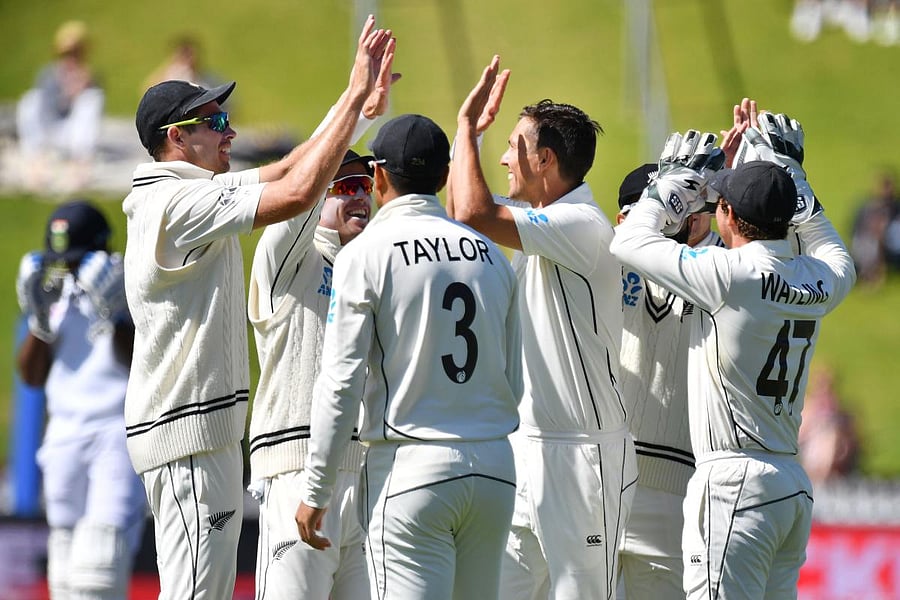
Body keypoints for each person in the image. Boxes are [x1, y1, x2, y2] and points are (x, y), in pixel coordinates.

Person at [121, 16, 394, 599]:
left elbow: (291, 169)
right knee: (197, 593)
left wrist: (356, 108)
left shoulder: (192, 193)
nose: (229, 131)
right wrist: (352, 102)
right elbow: (298, 194)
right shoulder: (173, 202)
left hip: (203, 430)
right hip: (185, 432)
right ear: (176, 137)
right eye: (214, 122)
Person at [609, 108, 856, 598]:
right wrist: (790, 177)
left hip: (733, 481)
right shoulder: (821, 277)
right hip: (790, 481)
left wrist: (678, 181)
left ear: (726, 217)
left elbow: (630, 240)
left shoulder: (727, 275)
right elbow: (834, 250)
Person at [295, 113, 523, 600]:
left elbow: (340, 381)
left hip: (411, 468)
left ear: (378, 175)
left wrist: (316, 491)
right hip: (495, 469)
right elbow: (515, 382)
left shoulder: (366, 253)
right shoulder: (491, 255)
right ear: (444, 177)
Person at [447, 55, 637, 599]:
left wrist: (464, 128)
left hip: (586, 455)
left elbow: (473, 214)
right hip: (526, 447)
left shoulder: (580, 224)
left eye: (513, 146)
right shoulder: (541, 221)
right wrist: (474, 139)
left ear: (545, 159)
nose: (506, 157)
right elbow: (463, 208)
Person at [246, 67, 395, 596]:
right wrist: (353, 108)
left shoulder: (377, 266)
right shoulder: (289, 256)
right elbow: (302, 184)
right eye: (345, 187)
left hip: (370, 479)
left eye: (365, 186)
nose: (360, 197)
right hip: (296, 470)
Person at [15, 200, 147, 599]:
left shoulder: (131, 284)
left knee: (100, 566)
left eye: (76, 259)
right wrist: (39, 321)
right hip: (64, 433)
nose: (68, 268)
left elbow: (143, 365)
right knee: (66, 568)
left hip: (115, 431)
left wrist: (117, 314)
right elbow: (31, 376)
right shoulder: (53, 294)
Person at [614, 164, 724, 600]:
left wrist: (715, 193)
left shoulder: (718, 269)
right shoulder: (606, 254)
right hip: (602, 480)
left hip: (680, 494)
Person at [15, 20, 104, 189]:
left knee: (92, 98)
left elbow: (94, 106)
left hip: (74, 130)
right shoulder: (48, 73)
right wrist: (67, 91)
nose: (71, 58)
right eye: (67, 53)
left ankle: (80, 163)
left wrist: (83, 85)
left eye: (75, 53)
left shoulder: (89, 75)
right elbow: (47, 104)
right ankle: (36, 160)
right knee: (30, 99)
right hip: (50, 125)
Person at [797, 364, 860, 485]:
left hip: (837, 456)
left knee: (832, 436)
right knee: (827, 438)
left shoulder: (841, 411)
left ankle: (826, 477)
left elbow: (853, 437)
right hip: (810, 454)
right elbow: (800, 435)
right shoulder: (807, 407)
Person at [850, 169, 900, 285]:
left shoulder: (896, 208)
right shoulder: (866, 208)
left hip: (892, 248)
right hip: (867, 247)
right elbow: (854, 231)